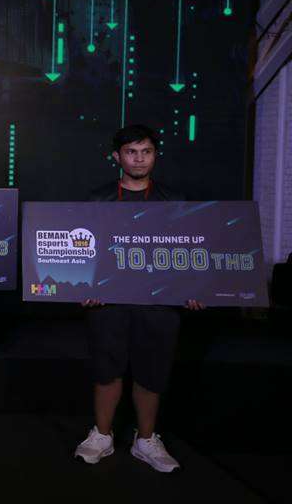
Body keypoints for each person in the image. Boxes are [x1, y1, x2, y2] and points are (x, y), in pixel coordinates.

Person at [74, 124, 203, 473]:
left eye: (146, 152)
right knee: (106, 371)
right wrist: (83, 286)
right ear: (117, 157)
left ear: (155, 156)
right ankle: (102, 435)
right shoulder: (97, 199)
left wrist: (195, 289)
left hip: (159, 302)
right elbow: (82, 251)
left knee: (152, 371)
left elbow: (190, 251)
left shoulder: (174, 201)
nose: (139, 159)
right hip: (107, 301)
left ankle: (145, 440)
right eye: (131, 152)